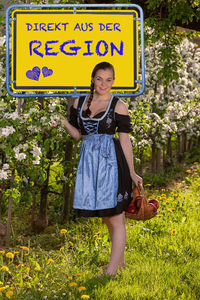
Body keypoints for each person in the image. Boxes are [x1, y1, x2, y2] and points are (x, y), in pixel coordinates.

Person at [53, 62, 142, 276]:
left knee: (116, 216)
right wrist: (63, 122)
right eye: (100, 78)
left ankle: (111, 272)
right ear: (93, 78)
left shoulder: (118, 105)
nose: (104, 83)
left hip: (112, 164)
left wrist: (131, 171)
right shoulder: (79, 102)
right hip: (89, 164)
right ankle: (118, 264)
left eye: (108, 79)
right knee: (106, 216)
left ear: (114, 81)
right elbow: (78, 135)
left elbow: (125, 142)